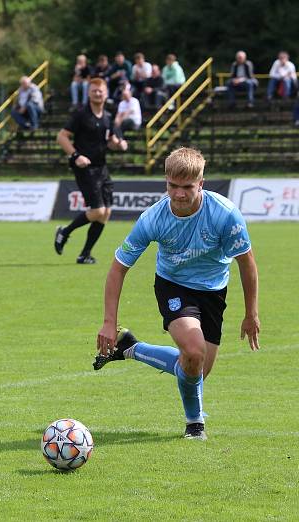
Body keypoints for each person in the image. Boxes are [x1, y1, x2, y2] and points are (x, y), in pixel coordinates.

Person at [94, 147, 260, 441]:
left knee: (193, 370)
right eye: (173, 186)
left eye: (187, 187)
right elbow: (118, 267)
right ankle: (195, 424)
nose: (179, 194)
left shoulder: (225, 215)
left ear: (201, 184)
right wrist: (108, 321)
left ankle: (131, 347)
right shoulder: (153, 218)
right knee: (194, 352)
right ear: (166, 181)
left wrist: (251, 314)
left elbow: (246, 263)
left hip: (213, 292)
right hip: (173, 286)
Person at [55, 78, 128, 264]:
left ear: (106, 93)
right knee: (98, 211)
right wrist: (76, 155)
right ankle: (64, 232)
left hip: (102, 168)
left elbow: (112, 141)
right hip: (85, 168)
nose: (98, 93)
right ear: (88, 93)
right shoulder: (81, 114)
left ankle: (85, 254)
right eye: (94, 90)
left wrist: (118, 144)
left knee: (106, 213)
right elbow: (62, 137)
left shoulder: (108, 117)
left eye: (101, 91)